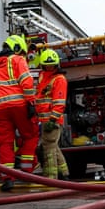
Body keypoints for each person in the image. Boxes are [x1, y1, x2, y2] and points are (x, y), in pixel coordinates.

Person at [0, 35, 38, 191]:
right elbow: (26, 82)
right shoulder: (17, 60)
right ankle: (27, 171)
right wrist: (31, 102)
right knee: (30, 135)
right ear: (18, 48)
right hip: (19, 106)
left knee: (5, 143)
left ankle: (7, 178)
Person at [35, 49, 70, 180]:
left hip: (52, 121)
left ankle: (51, 177)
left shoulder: (59, 79)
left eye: (51, 65)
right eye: (47, 65)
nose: (49, 67)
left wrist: (53, 119)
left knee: (48, 149)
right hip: (44, 120)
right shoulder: (43, 76)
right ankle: (64, 173)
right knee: (53, 147)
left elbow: (59, 102)